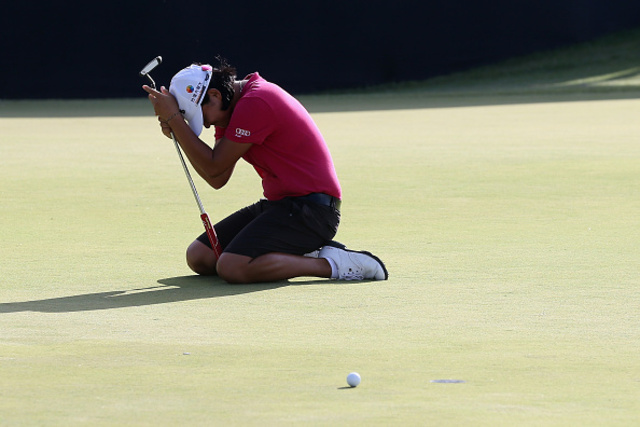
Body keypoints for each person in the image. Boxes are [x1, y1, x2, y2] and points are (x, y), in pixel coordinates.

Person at [142, 57, 388, 284]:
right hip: (282, 206)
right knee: (201, 257)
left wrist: (175, 119)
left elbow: (214, 166)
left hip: (313, 212)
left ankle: (331, 264)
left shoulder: (256, 102)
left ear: (215, 95)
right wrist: (178, 129)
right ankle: (293, 250)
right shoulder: (230, 110)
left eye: (202, 115)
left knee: (232, 267)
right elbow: (217, 178)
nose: (205, 124)